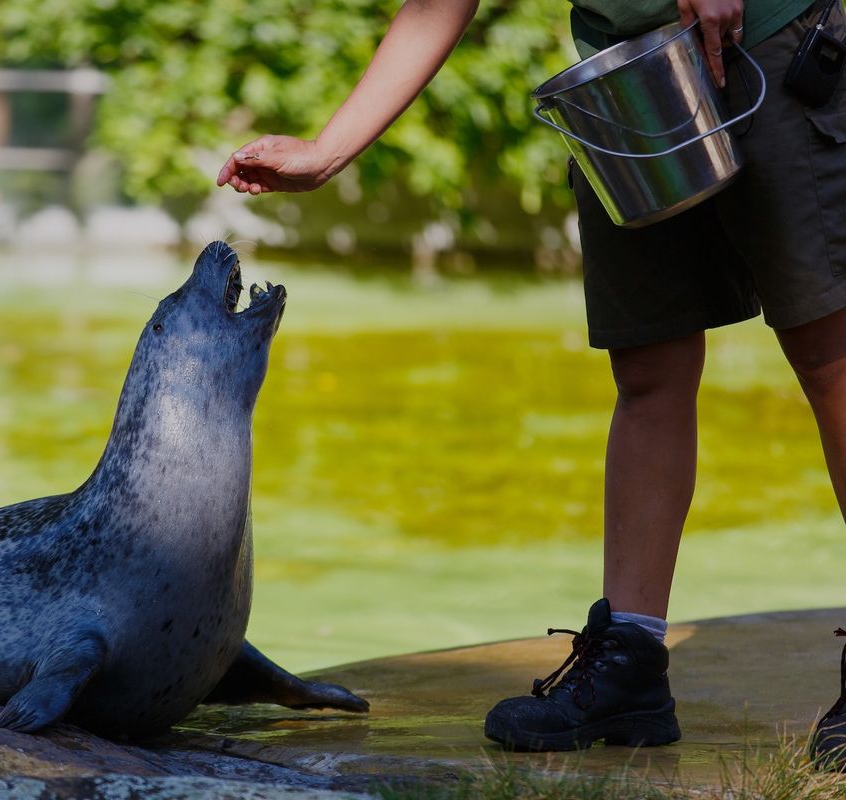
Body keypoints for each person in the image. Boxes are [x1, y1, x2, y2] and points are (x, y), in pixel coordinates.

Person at [216, 0, 846, 756]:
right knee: (648, 366)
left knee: (830, 354)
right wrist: (328, 151)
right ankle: (632, 666)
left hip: (772, 40)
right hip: (627, 75)